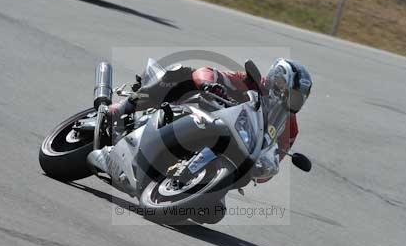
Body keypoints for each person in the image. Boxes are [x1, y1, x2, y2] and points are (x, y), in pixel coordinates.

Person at [107, 59, 313, 181]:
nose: (294, 102)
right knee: (181, 75)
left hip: (228, 144)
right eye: (293, 94)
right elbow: (206, 73)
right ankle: (120, 109)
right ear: (279, 82)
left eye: (299, 99)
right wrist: (210, 84)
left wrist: (262, 169)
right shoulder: (252, 83)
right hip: (198, 112)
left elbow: (276, 155)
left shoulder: (289, 127)